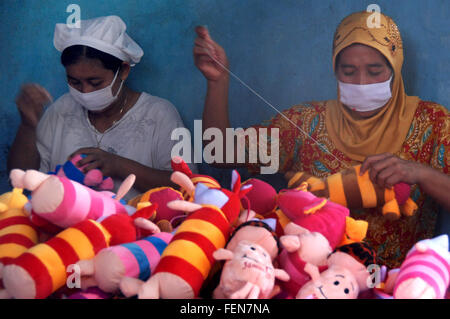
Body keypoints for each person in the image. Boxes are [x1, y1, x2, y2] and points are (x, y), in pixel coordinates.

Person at [193, 11, 450, 268]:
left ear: (395, 66)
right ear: (335, 71)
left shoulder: (432, 123)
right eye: (348, 71)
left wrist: (421, 174)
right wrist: (218, 81)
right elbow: (221, 153)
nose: (361, 82)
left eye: (375, 71)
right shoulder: (307, 122)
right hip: (311, 278)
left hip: (396, 283)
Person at [8, 15, 195, 201]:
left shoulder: (159, 114)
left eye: (95, 83)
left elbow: (188, 184)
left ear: (123, 70)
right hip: (66, 228)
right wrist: (27, 127)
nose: (85, 91)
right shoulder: (61, 110)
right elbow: (22, 179)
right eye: (74, 82)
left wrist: (119, 165)